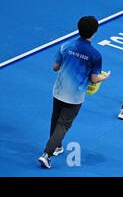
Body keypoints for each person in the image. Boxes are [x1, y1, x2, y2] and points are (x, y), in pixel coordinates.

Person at [38, 16, 110, 169]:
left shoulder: (66, 46)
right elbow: (93, 79)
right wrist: (104, 78)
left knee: (55, 120)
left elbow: (55, 67)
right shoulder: (95, 55)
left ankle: (57, 146)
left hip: (59, 91)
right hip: (75, 97)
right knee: (63, 125)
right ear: (95, 32)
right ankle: (47, 154)